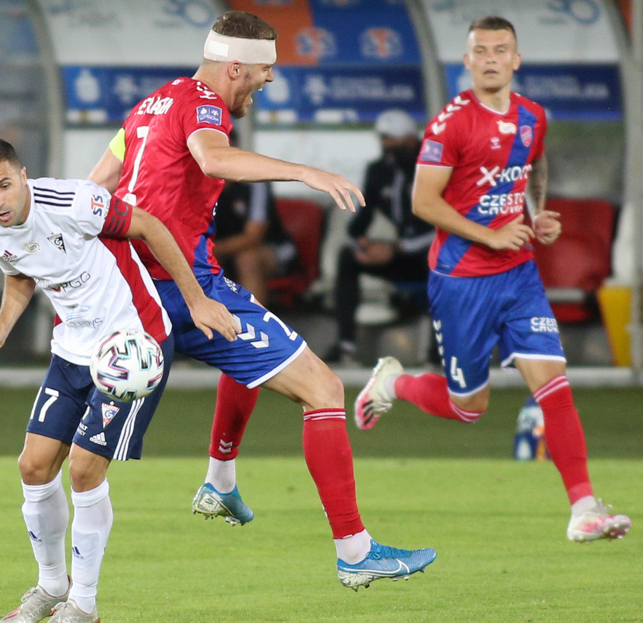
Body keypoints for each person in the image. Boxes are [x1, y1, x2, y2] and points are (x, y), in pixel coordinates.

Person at [88, 10, 436, 589]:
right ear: (235, 68)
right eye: (266, 68)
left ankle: (219, 482)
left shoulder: (149, 105)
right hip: (179, 284)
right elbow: (213, 158)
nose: (270, 78)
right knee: (323, 389)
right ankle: (355, 552)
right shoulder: (205, 104)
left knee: (78, 450)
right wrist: (305, 172)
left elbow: (96, 186)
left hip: (128, 284)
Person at [355, 16, 630, 543]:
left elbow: (534, 163)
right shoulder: (450, 124)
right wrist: (489, 235)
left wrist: (538, 213)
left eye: (500, 50)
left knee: (554, 387)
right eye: (480, 50)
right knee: (469, 408)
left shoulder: (532, 116)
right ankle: (393, 383)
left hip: (518, 275)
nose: (490, 59)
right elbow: (423, 202)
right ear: (466, 61)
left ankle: (583, 509)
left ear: (515, 60)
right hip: (461, 280)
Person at [0, 138, 237, 623]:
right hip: (72, 349)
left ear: (23, 176)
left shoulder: (73, 201)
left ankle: (84, 604)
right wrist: (2, 329)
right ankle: (51, 587)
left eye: (4, 185)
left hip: (132, 347)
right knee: (33, 466)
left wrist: (196, 300)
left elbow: (149, 225)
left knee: (84, 468)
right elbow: (20, 270)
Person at [323, 109, 435, 365]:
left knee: (437, 259)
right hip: (401, 255)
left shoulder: (432, 169)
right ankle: (345, 346)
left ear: (411, 139)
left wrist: (397, 248)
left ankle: (437, 352)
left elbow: (443, 226)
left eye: (393, 139)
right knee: (348, 257)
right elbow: (361, 216)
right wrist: (361, 243)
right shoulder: (379, 170)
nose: (387, 145)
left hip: (430, 250)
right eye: (383, 139)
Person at [213, 174, 299, 305]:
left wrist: (210, 249)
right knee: (203, 262)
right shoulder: (197, 185)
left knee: (247, 259)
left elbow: (253, 237)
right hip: (221, 249)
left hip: (273, 247)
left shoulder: (255, 182)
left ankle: (253, 316)